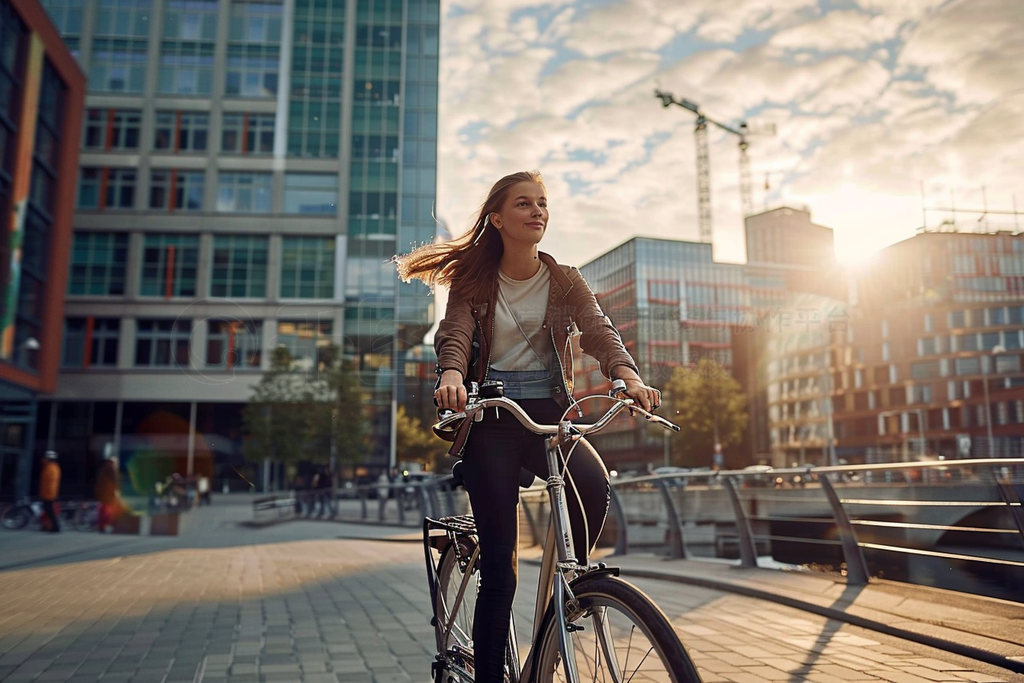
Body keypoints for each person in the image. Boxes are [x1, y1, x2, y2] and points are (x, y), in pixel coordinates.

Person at [394, 170, 661, 681]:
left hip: (548, 414)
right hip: (491, 417)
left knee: (592, 479)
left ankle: (574, 590)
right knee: (501, 573)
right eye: (524, 204)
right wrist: (451, 374)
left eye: (542, 203)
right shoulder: (474, 281)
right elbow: (455, 333)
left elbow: (598, 329)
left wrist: (627, 373)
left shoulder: (565, 278)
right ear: (497, 218)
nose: (538, 211)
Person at [95, 455, 122, 532]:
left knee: (103, 511)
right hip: (109, 495)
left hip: (105, 495)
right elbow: (115, 483)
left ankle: (102, 526)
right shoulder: (111, 470)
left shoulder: (104, 470)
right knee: (108, 511)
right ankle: (107, 525)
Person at [38, 450, 62, 533]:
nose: (43, 459)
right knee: (48, 511)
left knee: (50, 511)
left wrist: (50, 495)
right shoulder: (50, 467)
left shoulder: (51, 468)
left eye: (45, 458)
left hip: (49, 495)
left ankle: (55, 527)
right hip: (48, 494)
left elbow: (51, 483)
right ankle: (47, 525)